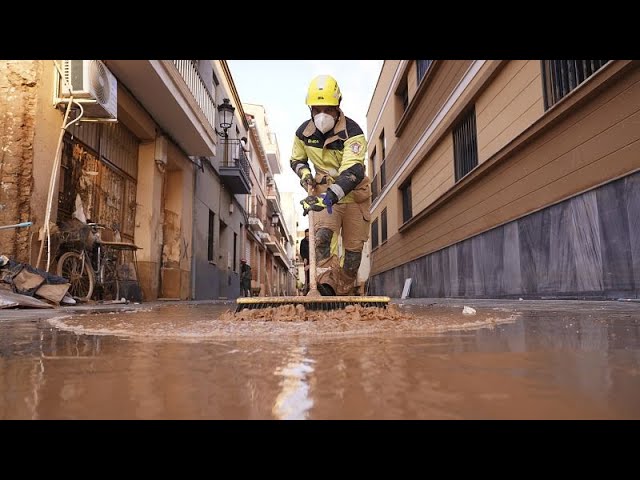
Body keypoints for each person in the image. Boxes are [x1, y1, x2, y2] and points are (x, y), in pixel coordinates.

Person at [291, 75, 371, 296]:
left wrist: (328, 196)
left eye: (327, 109)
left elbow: (353, 171)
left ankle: (344, 289)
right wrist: (306, 175)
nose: (322, 115)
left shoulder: (353, 133)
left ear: (338, 108)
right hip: (323, 194)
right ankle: (326, 287)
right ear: (310, 110)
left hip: (354, 197)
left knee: (353, 254)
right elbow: (297, 160)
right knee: (322, 239)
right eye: (317, 110)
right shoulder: (303, 134)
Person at [299, 228, 310, 294]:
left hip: (314, 262)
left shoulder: (315, 240)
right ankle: (307, 290)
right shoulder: (303, 242)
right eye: (306, 236)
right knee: (307, 277)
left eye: (309, 236)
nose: (308, 238)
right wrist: (304, 258)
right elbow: (301, 251)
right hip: (306, 261)